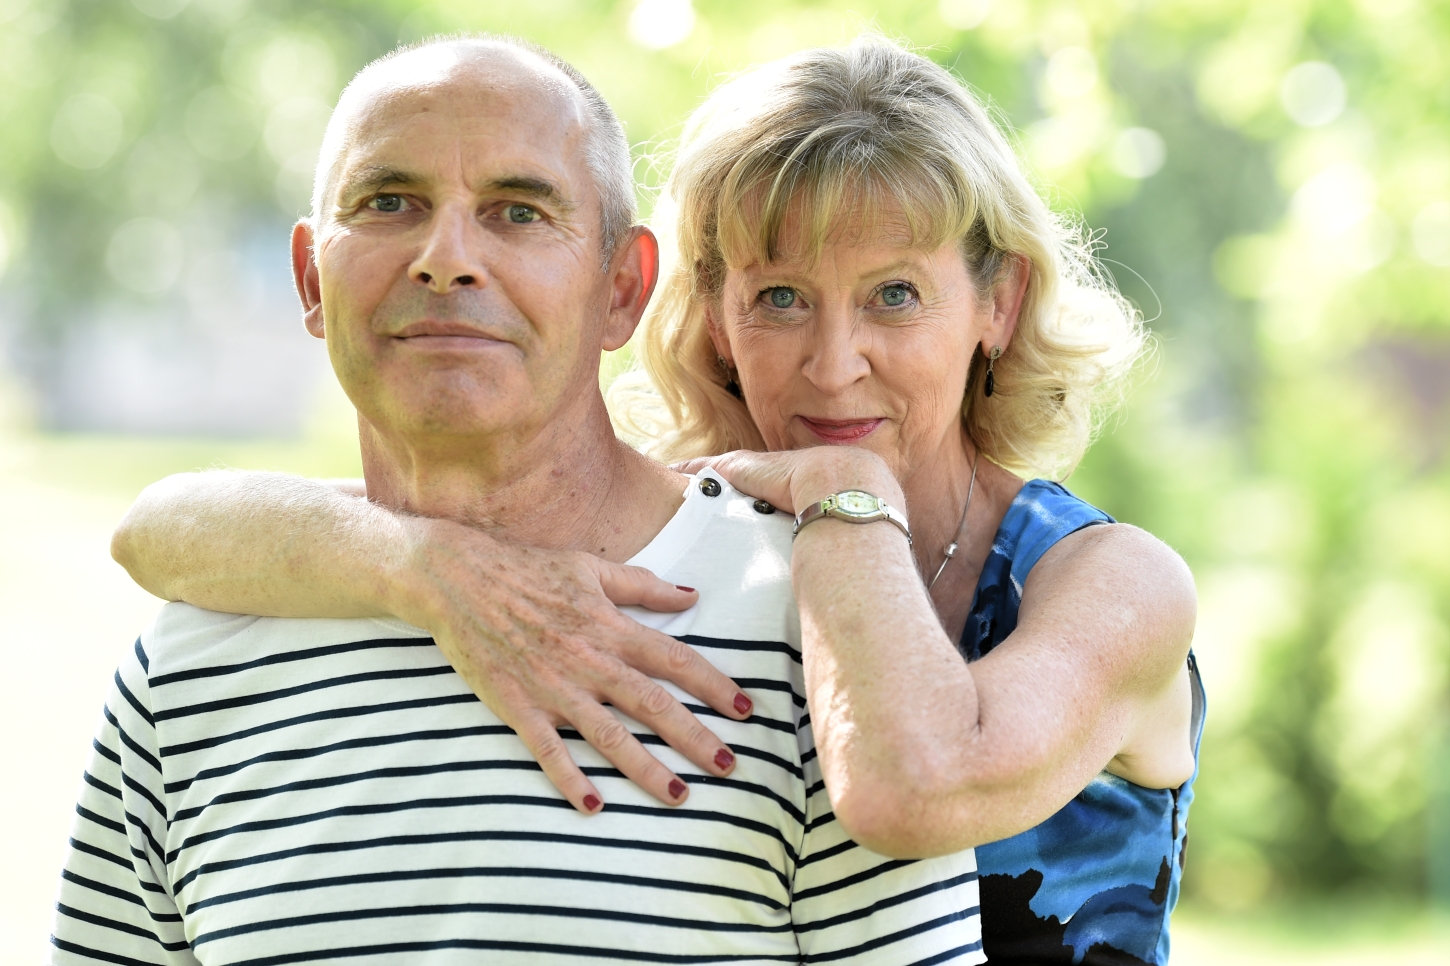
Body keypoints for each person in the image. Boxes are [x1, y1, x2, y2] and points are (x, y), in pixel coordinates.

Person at [112, 36, 1204, 966]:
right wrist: (426, 568)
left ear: (998, 303)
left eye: (894, 295)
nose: (834, 365)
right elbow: (158, 534)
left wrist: (849, 494)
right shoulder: (699, 546)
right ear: (715, 317)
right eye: (781, 297)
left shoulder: (1107, 581)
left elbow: (909, 786)